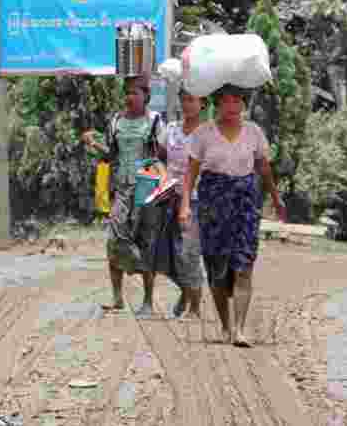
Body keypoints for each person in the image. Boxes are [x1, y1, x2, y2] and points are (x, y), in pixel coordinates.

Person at [181, 85, 285, 347]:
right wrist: (185, 204)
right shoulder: (203, 134)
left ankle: (239, 329)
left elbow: (263, 167)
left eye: (236, 100)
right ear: (217, 103)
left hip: (245, 202)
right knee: (217, 267)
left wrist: (275, 196)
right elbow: (191, 174)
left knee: (244, 263)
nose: (231, 106)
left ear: (243, 104)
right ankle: (226, 325)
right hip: (213, 204)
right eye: (225, 101)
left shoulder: (254, 132)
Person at [83, 76, 164, 317]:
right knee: (114, 240)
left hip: (146, 190)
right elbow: (110, 155)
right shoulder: (116, 121)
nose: (129, 97)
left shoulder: (155, 121)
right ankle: (117, 297)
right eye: (127, 92)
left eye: (135, 93)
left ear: (145, 96)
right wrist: (94, 144)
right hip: (121, 189)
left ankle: (148, 302)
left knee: (147, 241)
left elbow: (163, 155)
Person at [152, 88, 206, 319]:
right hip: (170, 197)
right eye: (184, 99)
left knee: (189, 251)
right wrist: (163, 175)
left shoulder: (208, 133)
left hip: (196, 200)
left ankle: (194, 307)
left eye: (192, 100)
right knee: (169, 253)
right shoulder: (171, 129)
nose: (187, 104)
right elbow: (158, 158)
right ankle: (186, 292)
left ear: (202, 103)